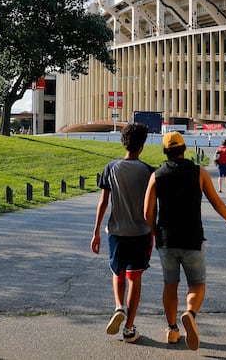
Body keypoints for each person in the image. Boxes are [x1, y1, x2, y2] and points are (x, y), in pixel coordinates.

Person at [144, 132, 226, 350]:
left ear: (165, 151)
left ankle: (171, 329)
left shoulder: (156, 176)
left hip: (167, 239)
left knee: (170, 284)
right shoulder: (199, 172)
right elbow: (216, 202)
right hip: (192, 237)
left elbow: (147, 211)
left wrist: (154, 231)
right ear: (184, 148)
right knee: (197, 283)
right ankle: (190, 313)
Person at [91, 122, 154, 344]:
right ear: (143, 145)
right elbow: (153, 207)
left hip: (116, 231)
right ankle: (129, 328)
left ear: (123, 142)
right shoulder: (149, 171)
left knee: (117, 272)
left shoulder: (111, 168)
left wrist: (96, 231)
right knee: (134, 277)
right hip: (140, 232)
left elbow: (103, 201)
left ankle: (118, 307)